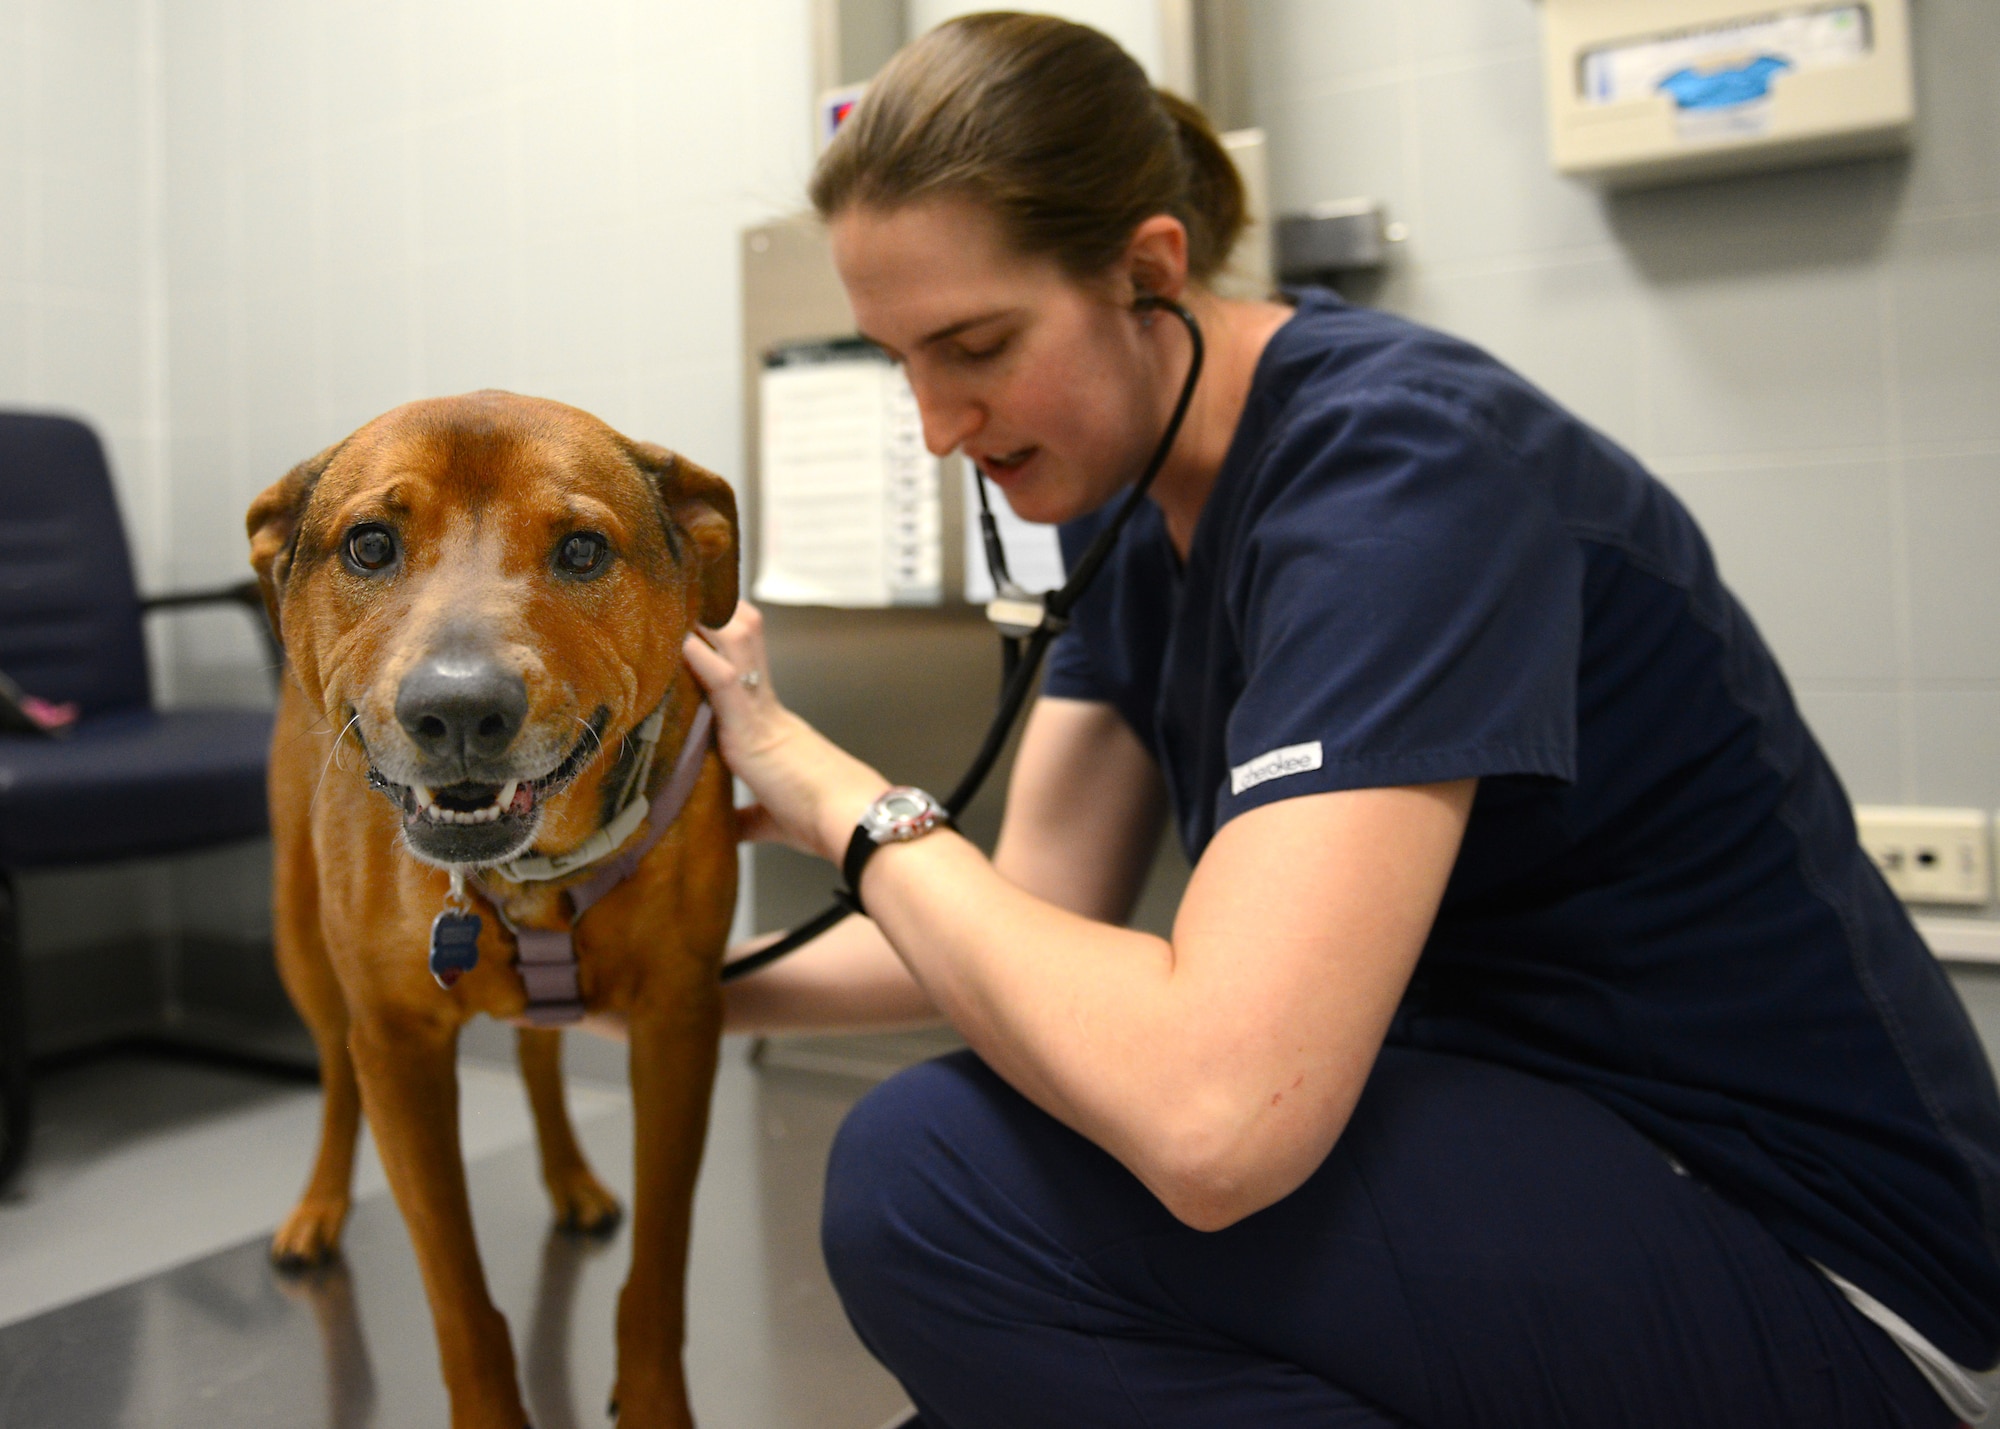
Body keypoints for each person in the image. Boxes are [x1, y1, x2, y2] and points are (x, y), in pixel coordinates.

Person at [679, 13, 2000, 1427]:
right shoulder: (1130, 510)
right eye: (898, 360)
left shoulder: (1401, 478)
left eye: (976, 344)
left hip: (1825, 1274)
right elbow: (1021, 926)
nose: (938, 422)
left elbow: (1219, 1118)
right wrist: (661, 983)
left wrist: (831, 792)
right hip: (1555, 1183)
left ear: (1150, 270)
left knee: (928, 1178)